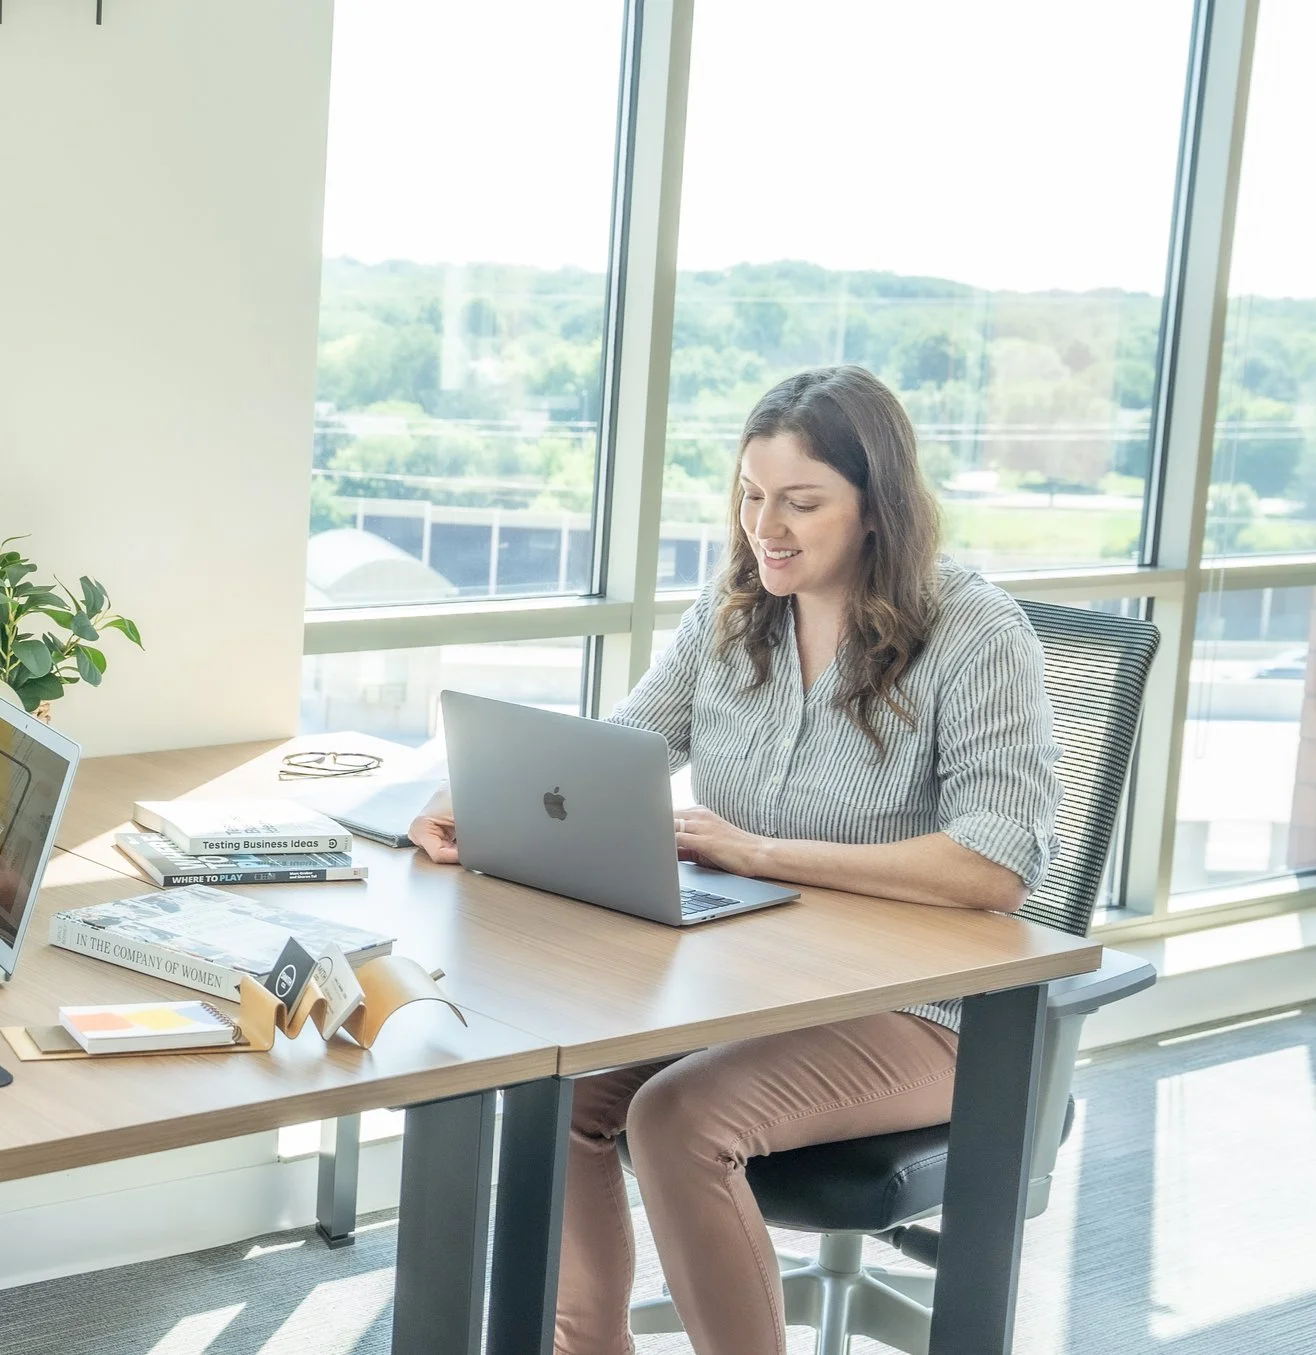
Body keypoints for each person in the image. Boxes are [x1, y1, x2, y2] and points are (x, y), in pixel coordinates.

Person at [408, 365, 1060, 1355]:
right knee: (566, 1094)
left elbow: (994, 863)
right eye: (751, 498)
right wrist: (482, 794)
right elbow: (620, 750)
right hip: (754, 981)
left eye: (801, 502)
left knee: (675, 1117)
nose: (768, 528)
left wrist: (761, 850)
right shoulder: (733, 611)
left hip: (930, 1009)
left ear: (877, 507)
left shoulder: (973, 634)